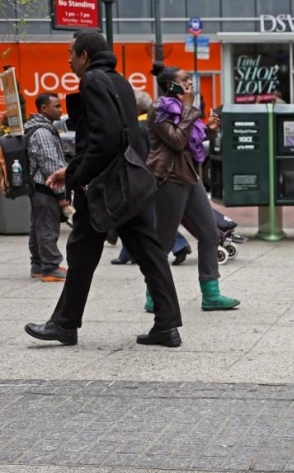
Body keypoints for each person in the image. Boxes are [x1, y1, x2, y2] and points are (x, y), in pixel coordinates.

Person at [25, 29, 182, 347]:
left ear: (84, 55)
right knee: (147, 253)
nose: (68, 59)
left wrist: (78, 175)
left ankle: (65, 324)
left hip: (103, 186)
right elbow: (124, 136)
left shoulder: (93, 81)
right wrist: (72, 170)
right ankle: (166, 326)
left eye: (71, 53)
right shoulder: (120, 81)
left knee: (83, 249)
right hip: (125, 183)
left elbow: (104, 137)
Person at [146, 62, 240, 311]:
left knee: (209, 234)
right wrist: (189, 108)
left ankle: (211, 294)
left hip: (190, 177)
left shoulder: (185, 110)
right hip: (169, 178)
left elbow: (188, 141)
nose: (190, 83)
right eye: (185, 80)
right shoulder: (159, 109)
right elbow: (176, 141)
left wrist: (208, 130)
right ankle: (153, 295)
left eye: (189, 79)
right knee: (164, 241)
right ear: (171, 85)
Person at [111, 90, 192, 266]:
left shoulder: (139, 125)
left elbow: (138, 152)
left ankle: (178, 244)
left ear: (138, 106)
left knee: (144, 215)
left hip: (142, 175)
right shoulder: (153, 121)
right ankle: (128, 253)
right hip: (154, 174)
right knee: (139, 215)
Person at [25, 92, 70, 282]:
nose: (61, 109)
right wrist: (61, 196)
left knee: (38, 226)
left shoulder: (40, 128)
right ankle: (50, 267)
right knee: (47, 227)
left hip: (38, 187)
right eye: (57, 106)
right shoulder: (43, 132)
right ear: (44, 108)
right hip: (46, 187)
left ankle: (38, 265)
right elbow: (51, 167)